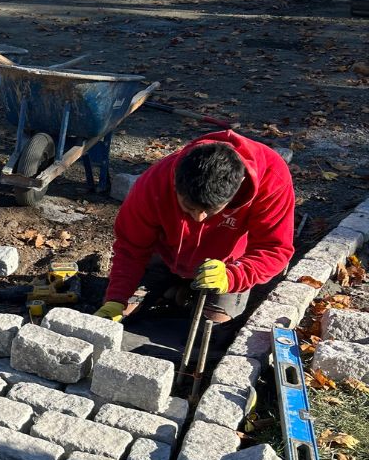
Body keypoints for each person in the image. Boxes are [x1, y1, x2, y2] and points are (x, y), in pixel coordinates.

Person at [94, 131, 295, 327]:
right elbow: (131, 246)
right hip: (167, 254)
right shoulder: (155, 182)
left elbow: (274, 249)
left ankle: (180, 291)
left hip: (226, 268)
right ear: (175, 183)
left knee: (213, 328)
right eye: (189, 208)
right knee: (123, 313)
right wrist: (116, 298)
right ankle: (174, 285)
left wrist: (232, 277)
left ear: (239, 185)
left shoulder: (272, 178)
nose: (199, 218)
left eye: (211, 211)